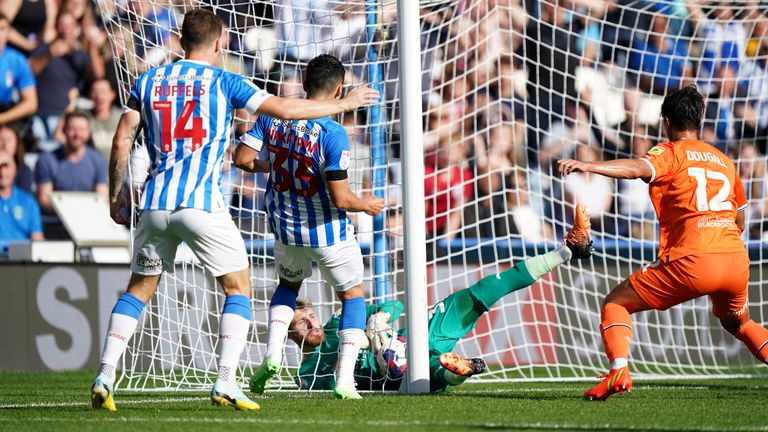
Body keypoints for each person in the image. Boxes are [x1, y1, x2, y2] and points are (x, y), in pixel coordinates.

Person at [90, 9, 378, 413]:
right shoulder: (226, 80)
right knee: (238, 288)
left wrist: (117, 197)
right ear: (221, 42)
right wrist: (345, 102)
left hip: (155, 202)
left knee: (138, 290)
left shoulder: (148, 79)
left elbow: (122, 139)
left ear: (180, 39)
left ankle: (105, 373)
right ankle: (225, 381)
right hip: (203, 203)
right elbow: (290, 111)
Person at [557, 85, 768, 401]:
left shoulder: (669, 153)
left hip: (694, 258)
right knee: (738, 322)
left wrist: (590, 166)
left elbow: (637, 169)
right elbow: (739, 220)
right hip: (735, 259)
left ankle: (618, 370)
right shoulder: (724, 160)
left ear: (666, 121)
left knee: (616, 302)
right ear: (698, 121)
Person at [280, 205, 592, 393]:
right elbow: (334, 385)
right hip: (388, 376)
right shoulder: (305, 376)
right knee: (421, 369)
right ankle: (456, 372)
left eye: (310, 317)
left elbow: (394, 306)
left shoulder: (340, 321)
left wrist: (379, 321)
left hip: (407, 339)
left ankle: (566, 250)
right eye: (302, 324)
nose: (311, 323)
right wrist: (357, 351)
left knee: (476, 294)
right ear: (289, 334)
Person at [233, 54, 385, 400]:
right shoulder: (334, 134)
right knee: (352, 297)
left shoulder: (274, 117)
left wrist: (270, 164)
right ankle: (345, 379)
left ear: (303, 84)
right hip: (326, 231)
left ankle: (271, 356)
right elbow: (342, 199)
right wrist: (367, 204)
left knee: (287, 286)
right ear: (340, 90)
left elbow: (240, 159)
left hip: (285, 228)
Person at [34, 111, 107, 239]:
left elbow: (102, 197)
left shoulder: (98, 160)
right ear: (64, 130)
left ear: (89, 133)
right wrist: (73, 210)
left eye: (81, 129)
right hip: (56, 226)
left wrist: (77, 211)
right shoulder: (47, 160)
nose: (77, 134)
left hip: (88, 225)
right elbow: (44, 199)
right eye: (72, 129)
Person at [0, 12, 38, 148]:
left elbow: (31, 103)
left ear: (9, 32)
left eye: (2, 29)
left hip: (4, 116)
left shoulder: (16, 60)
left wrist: (2, 119)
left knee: (9, 139)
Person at [0, 150, 42, 240]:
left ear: (15, 169)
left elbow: (37, 237)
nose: (2, 173)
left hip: (22, 253)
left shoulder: (28, 202)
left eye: (6, 167)